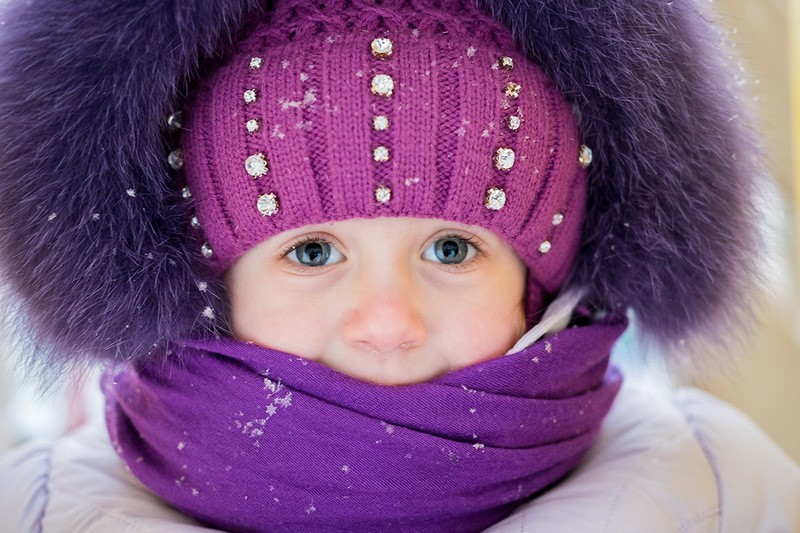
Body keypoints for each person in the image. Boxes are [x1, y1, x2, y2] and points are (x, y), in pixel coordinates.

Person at [0, 0, 798, 531]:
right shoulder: (41, 511)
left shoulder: (718, 489)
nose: (388, 321)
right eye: (311, 251)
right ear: (207, 278)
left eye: (452, 249)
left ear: (537, 280)